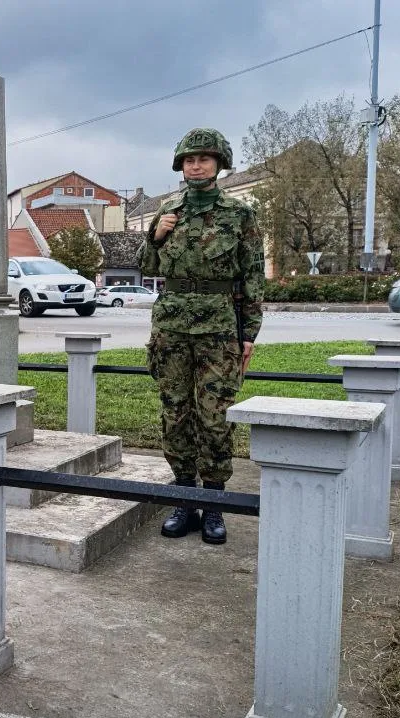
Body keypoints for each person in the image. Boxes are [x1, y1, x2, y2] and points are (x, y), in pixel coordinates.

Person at [139, 128, 264, 545]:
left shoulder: (238, 214)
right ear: (181, 166)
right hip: (172, 327)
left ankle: (213, 504)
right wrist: (156, 234)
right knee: (175, 413)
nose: (196, 166)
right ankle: (183, 498)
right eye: (190, 160)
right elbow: (146, 267)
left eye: (204, 159)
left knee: (214, 417)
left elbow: (252, 276)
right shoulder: (167, 210)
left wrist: (248, 334)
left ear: (218, 164)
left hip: (218, 329)